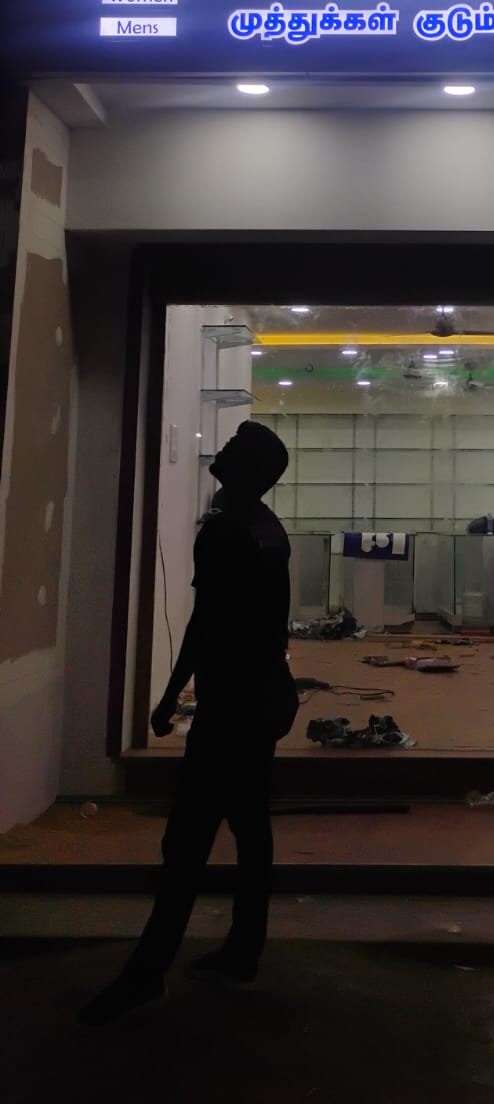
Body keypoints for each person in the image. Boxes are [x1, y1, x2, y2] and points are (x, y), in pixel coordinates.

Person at [77, 420, 298, 1026]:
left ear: (248, 469)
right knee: (250, 828)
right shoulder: (268, 528)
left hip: (233, 706)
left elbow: (206, 624)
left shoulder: (226, 530)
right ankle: (243, 953)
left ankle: (146, 975)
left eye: (234, 447)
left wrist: (172, 694)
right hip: (263, 697)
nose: (220, 450)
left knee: (187, 841)